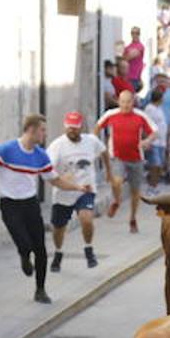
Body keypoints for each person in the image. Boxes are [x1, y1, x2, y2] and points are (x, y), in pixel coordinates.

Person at [0, 113, 87, 304]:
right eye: (42, 130)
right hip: (10, 204)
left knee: (41, 250)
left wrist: (78, 187)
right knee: (24, 243)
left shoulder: (40, 156)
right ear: (31, 130)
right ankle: (23, 255)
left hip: (30, 204)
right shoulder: (7, 149)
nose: (45, 134)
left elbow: (55, 180)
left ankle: (40, 290)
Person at [46, 112, 109, 271]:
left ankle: (88, 249)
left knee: (86, 218)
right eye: (69, 127)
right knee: (58, 227)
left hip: (86, 188)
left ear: (81, 127)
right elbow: (48, 168)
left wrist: (108, 171)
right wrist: (59, 176)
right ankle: (58, 252)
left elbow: (103, 151)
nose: (72, 130)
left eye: (75, 127)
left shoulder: (91, 141)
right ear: (65, 127)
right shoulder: (57, 146)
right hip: (64, 191)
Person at [97, 90, 156, 233]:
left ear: (133, 102)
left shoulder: (140, 116)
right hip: (117, 156)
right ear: (118, 101)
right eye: (123, 102)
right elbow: (97, 127)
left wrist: (147, 141)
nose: (125, 105)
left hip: (136, 158)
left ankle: (132, 218)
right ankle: (116, 201)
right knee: (116, 181)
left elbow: (154, 132)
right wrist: (97, 145)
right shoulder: (111, 115)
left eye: (128, 102)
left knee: (135, 191)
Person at [143, 90, 170, 189]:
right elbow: (146, 125)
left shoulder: (159, 109)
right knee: (155, 164)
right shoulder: (149, 109)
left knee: (160, 165)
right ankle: (151, 186)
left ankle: (155, 185)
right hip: (154, 142)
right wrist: (147, 140)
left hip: (161, 141)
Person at [124, 27, 146, 91]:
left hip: (134, 77)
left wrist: (124, 57)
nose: (134, 35)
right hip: (126, 77)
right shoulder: (128, 46)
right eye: (133, 33)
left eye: (137, 33)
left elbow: (130, 56)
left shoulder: (140, 46)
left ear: (139, 34)